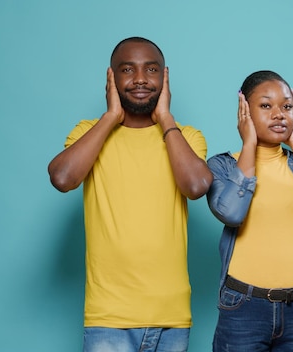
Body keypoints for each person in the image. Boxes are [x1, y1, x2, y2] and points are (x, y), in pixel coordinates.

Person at [47, 37, 213, 352]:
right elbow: (63, 177)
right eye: (127, 69)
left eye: (151, 70)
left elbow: (196, 186)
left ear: (165, 79)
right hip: (108, 318)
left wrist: (166, 119)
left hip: (171, 318)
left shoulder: (186, 137)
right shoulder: (88, 133)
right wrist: (110, 117)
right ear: (111, 78)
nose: (139, 79)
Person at [206, 70, 293, 351]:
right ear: (244, 110)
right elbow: (232, 213)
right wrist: (249, 144)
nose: (279, 114)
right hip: (244, 307)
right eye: (266, 105)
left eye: (287, 106)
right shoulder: (222, 167)